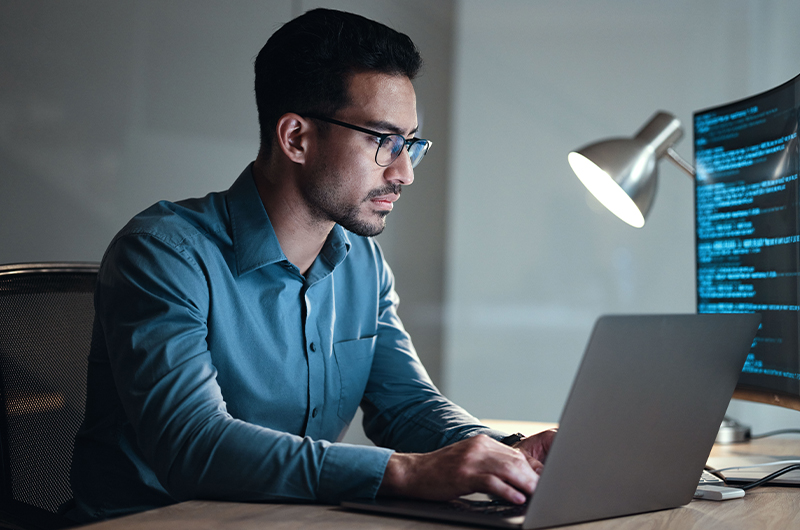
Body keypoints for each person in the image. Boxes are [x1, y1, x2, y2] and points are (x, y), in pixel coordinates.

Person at [67, 8, 555, 522]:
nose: (405, 172)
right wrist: (406, 473)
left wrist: (506, 451)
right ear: (296, 137)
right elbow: (194, 443)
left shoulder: (361, 261)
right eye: (383, 141)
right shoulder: (163, 253)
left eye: (411, 144)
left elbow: (407, 405)